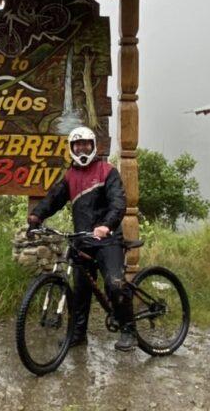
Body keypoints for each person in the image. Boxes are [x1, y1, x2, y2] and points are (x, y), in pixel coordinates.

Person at [27, 126, 135, 351]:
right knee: (81, 291)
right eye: (77, 145)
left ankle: (128, 330)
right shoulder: (71, 176)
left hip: (108, 240)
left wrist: (106, 225)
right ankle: (77, 335)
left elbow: (118, 202)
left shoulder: (107, 171)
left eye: (86, 144)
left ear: (93, 146)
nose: (82, 148)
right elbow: (54, 198)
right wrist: (37, 216)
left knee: (115, 285)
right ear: (72, 148)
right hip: (83, 240)